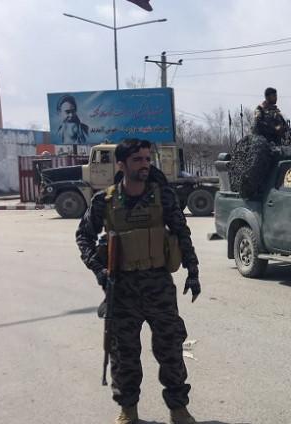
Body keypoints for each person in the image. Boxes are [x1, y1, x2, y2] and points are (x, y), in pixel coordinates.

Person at [76, 139, 201, 424]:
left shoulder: (163, 196)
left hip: (158, 285)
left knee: (170, 349)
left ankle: (178, 410)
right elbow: (83, 236)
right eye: (137, 160)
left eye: (147, 159)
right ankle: (128, 411)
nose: (145, 164)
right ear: (121, 165)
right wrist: (98, 270)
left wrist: (193, 271)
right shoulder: (104, 201)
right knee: (124, 354)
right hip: (122, 289)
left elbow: (182, 232)